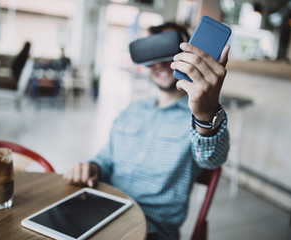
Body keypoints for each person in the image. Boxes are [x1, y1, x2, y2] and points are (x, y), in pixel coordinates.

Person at [63, 22, 230, 240]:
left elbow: (213, 159)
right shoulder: (131, 110)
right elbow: (106, 158)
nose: (160, 63)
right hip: (102, 211)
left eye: (169, 52)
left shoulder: (200, 117)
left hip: (152, 228)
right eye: (152, 53)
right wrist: (93, 167)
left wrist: (206, 115)